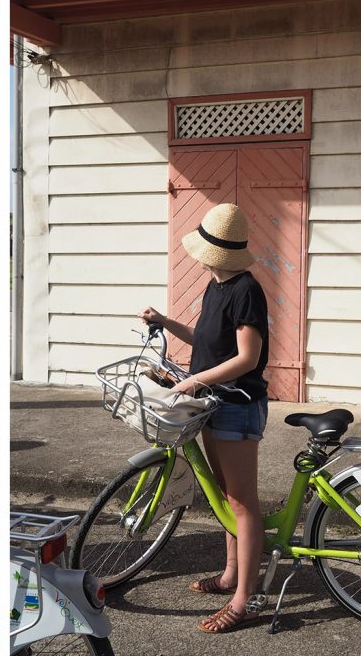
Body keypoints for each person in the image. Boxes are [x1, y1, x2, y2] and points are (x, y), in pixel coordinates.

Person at [138, 202, 269, 634]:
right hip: (214, 402)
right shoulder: (216, 287)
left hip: (237, 403)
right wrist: (165, 321)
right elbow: (206, 341)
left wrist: (193, 382)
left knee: (242, 503)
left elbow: (247, 358)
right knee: (223, 496)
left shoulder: (246, 289)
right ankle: (231, 574)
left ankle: (244, 599)